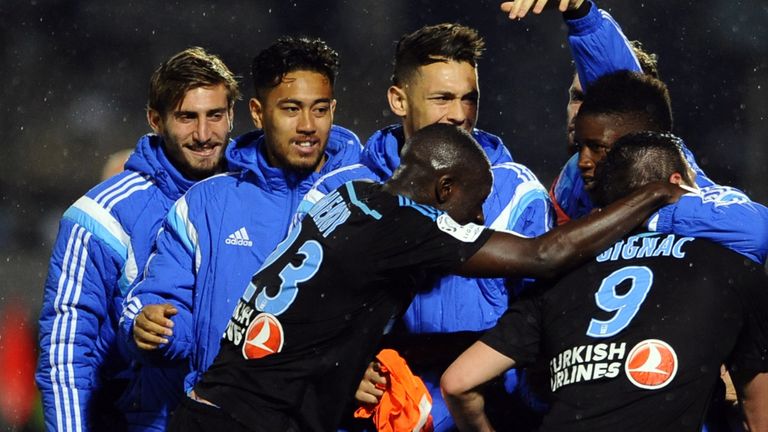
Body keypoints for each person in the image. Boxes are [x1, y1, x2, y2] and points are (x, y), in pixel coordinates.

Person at [166, 124, 682, 432]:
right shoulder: (406, 226)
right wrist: (655, 192)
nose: (476, 222)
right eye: (474, 207)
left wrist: (492, 345)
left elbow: (343, 325)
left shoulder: (354, 199)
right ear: (443, 187)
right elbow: (547, 254)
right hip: (249, 421)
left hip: (209, 409)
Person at [441, 131, 768, 432]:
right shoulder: (733, 271)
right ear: (678, 182)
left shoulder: (560, 275)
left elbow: (458, 382)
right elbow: (760, 419)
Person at [118, 36, 362, 401]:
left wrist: (357, 367)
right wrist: (153, 328)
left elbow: (389, 313)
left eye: (320, 109)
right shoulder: (206, 203)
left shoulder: (367, 198)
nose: (308, 125)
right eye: (291, 109)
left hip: (324, 416)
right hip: (220, 413)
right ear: (258, 112)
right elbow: (167, 304)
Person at [349, 22, 554, 431]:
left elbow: (541, 317)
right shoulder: (346, 190)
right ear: (398, 99)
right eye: (442, 98)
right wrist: (342, 368)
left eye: (469, 99)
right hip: (380, 415)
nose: (460, 114)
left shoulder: (517, 191)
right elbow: (307, 311)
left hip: (487, 412)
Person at [36, 47, 240, 431]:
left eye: (214, 115)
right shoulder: (101, 216)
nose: (203, 134)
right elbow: (65, 353)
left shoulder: (256, 197)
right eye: (186, 117)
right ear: (155, 120)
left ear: (232, 116)